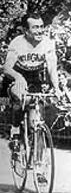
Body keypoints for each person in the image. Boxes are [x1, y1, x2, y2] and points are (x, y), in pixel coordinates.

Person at [4, 13, 62, 160]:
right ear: (26, 30)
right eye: (35, 27)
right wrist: (18, 77)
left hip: (35, 78)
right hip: (16, 75)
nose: (40, 30)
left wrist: (57, 88)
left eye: (42, 26)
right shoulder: (17, 43)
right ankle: (15, 132)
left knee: (36, 119)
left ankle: (39, 163)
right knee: (20, 98)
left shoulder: (48, 43)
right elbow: (7, 68)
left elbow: (52, 69)